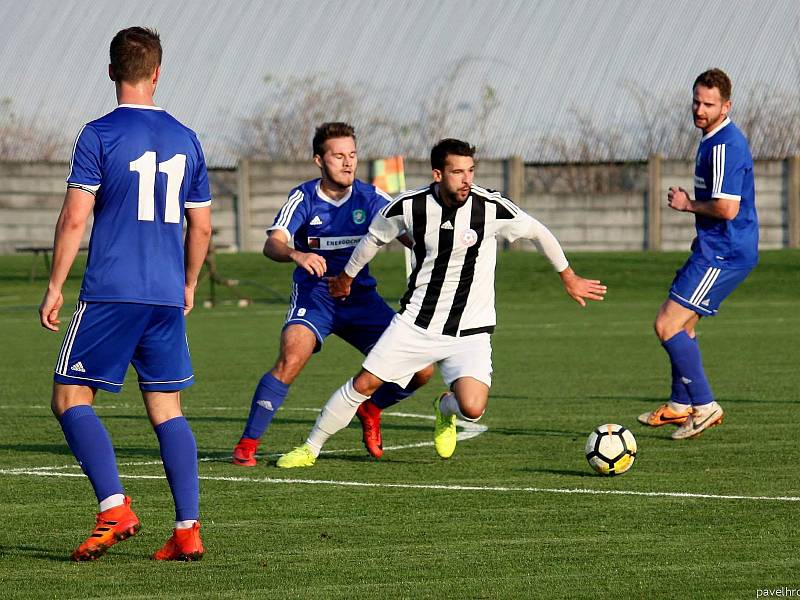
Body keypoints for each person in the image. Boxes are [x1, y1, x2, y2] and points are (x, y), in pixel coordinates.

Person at [275, 138, 606, 468]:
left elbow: (537, 231)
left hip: (471, 331)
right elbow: (373, 240)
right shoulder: (409, 206)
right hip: (418, 323)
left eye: (471, 171)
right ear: (437, 174)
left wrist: (568, 276)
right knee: (365, 383)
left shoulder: (490, 207)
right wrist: (346, 277)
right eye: (457, 172)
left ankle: (445, 408)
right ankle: (310, 448)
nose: (466, 179)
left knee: (473, 409)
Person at [38, 27, 211, 561]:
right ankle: (187, 529)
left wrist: (54, 284)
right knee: (168, 409)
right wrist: (188, 282)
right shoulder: (187, 137)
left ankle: (114, 506)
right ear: (157, 73)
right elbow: (200, 227)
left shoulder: (99, 134)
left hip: (112, 290)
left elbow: (74, 216)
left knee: (69, 398)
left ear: (112, 71)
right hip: (163, 295)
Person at [231, 122, 432, 466]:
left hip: (361, 300)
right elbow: (273, 243)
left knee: (423, 369)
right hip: (316, 298)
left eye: (352, 155)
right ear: (319, 161)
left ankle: (372, 408)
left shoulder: (371, 198)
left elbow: (409, 234)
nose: (348, 162)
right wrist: (297, 254)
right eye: (338, 156)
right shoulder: (305, 198)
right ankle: (247, 444)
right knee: (290, 360)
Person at [638, 68, 758, 440]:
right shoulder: (710, 140)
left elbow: (726, 209)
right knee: (684, 327)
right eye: (696, 101)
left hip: (725, 253)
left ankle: (705, 406)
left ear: (726, 106)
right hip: (716, 247)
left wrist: (688, 205)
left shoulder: (723, 144)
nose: (700, 110)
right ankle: (679, 406)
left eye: (709, 104)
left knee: (667, 324)